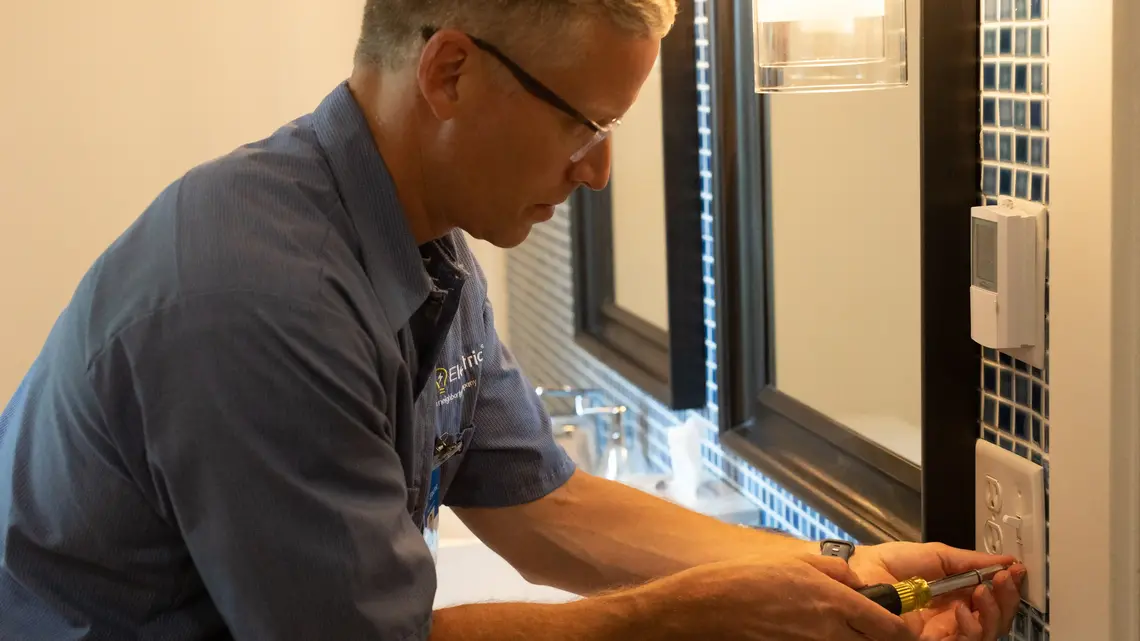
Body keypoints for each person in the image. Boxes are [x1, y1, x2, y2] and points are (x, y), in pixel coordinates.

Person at [0, 1, 1025, 640]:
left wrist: (837, 577)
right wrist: (699, 621)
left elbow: (549, 510)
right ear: (449, 72)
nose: (599, 168)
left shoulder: (428, 249)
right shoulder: (255, 294)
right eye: (584, 122)